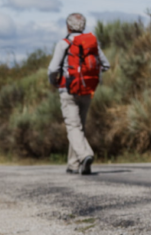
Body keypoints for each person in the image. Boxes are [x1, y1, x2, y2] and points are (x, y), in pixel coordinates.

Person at [47, 13, 110, 175]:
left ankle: (85, 155)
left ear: (68, 26)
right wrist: (89, 75)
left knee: (73, 126)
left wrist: (54, 81)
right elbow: (106, 65)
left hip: (68, 89)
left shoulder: (64, 43)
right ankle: (73, 164)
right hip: (88, 90)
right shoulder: (91, 43)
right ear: (83, 26)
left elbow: (53, 69)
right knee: (79, 126)